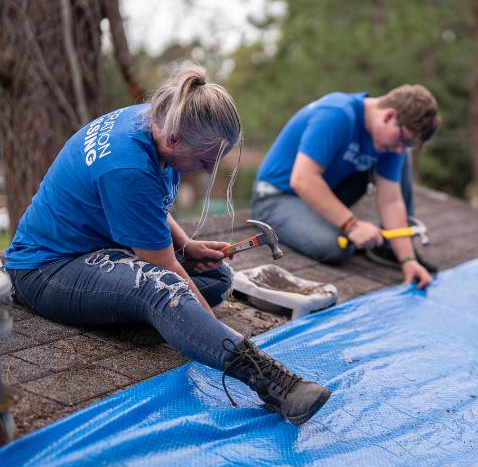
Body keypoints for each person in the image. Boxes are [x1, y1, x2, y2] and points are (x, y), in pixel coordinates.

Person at [3, 65, 330, 425]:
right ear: (175, 140)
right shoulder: (128, 165)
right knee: (163, 291)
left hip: (100, 252)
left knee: (218, 278)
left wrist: (187, 245)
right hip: (46, 270)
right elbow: (164, 270)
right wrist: (228, 338)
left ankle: (150, 320)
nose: (207, 171)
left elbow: (150, 203)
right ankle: (273, 382)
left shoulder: (158, 119)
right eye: (205, 160)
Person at [251, 86, 440, 289]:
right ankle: (355, 234)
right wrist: (353, 225)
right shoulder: (337, 114)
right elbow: (303, 179)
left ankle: (390, 247)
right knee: (334, 247)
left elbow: (391, 200)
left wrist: (407, 260)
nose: (400, 148)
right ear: (389, 116)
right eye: (403, 139)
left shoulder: (391, 138)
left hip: (322, 191)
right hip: (278, 197)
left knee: (403, 158)